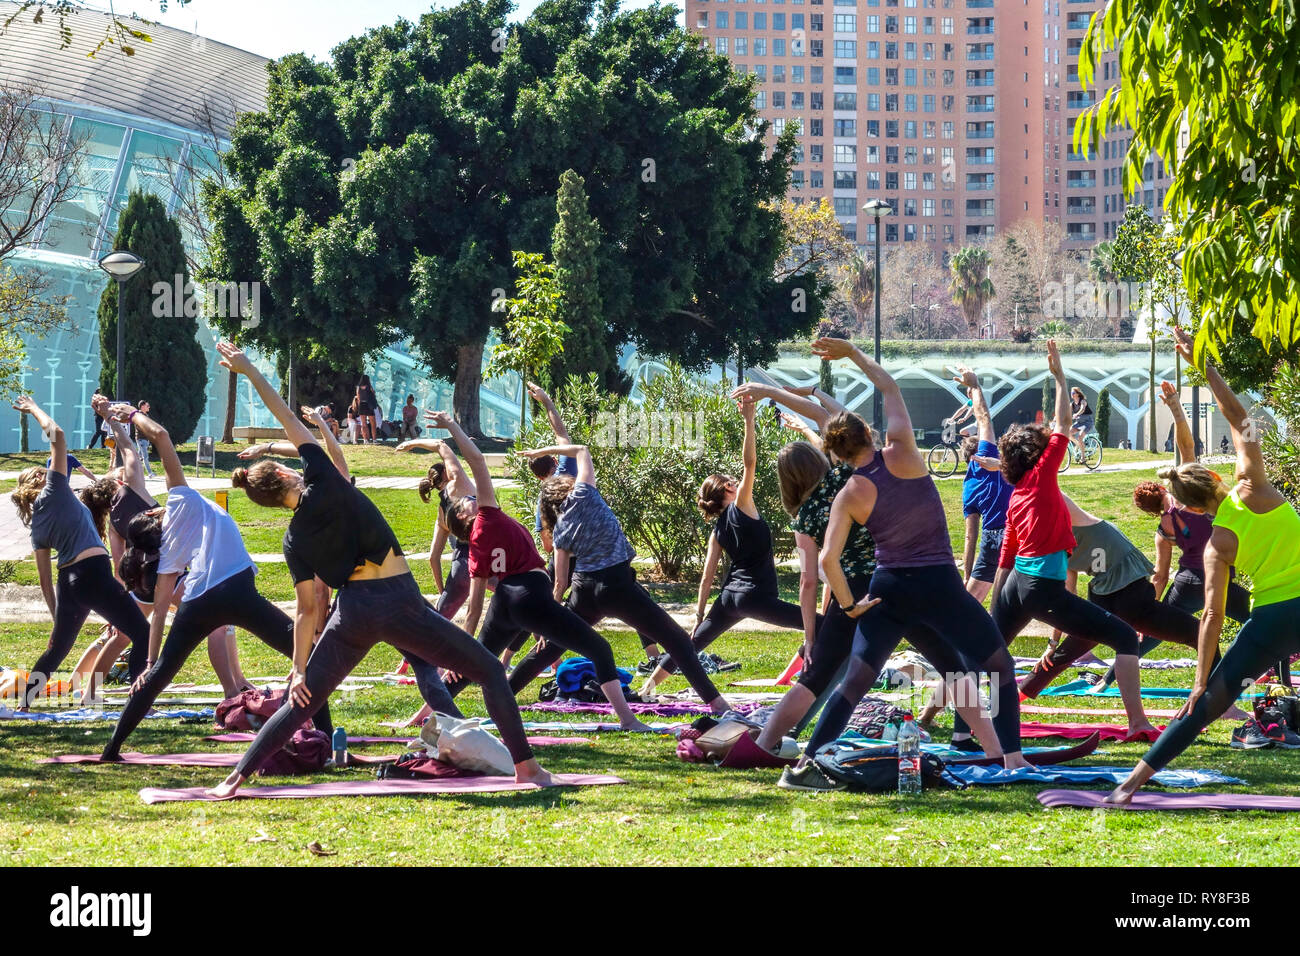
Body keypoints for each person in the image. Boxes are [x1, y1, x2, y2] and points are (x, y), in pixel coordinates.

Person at [206, 343, 554, 798]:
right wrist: (251, 370)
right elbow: (291, 424)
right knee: (488, 670)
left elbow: (308, 610)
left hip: (352, 614)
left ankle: (235, 777)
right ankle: (527, 768)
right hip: (397, 601)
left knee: (303, 700)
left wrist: (297, 669)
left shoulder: (293, 540)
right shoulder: (324, 480)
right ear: (288, 476)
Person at [780, 338, 1031, 790]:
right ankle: (1012, 759)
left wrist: (849, 604)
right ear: (867, 434)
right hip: (937, 585)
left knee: (853, 684)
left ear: (836, 454)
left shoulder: (848, 493)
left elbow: (827, 558)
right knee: (999, 667)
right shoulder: (906, 452)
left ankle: (805, 767)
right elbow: (889, 386)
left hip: (886, 590)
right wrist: (851, 354)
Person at [1107, 328, 1300, 804]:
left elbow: (1211, 617)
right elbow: (1241, 418)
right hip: (1281, 610)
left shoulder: (1216, 544)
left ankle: (1129, 786)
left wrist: (1198, 683)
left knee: (1208, 704)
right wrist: (1204, 365)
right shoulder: (1252, 482)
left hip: (1274, 617)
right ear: (1215, 476)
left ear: (1190, 509)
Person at [100, 400, 335, 759]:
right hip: (237, 591)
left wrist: (149, 665)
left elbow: (160, 612)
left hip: (201, 601)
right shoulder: (180, 499)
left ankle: (112, 749)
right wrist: (132, 415)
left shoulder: (166, 557)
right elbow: (161, 436)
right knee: (306, 659)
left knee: (160, 674)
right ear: (152, 513)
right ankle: (329, 740)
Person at [962, 341, 1156, 744]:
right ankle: (1137, 723)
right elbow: (1063, 423)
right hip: (1040, 589)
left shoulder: (1015, 494)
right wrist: (1059, 376)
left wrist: (1000, 602)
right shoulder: (1043, 476)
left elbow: (1005, 559)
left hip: (1014, 585)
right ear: (1037, 456)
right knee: (1122, 636)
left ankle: (960, 731)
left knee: (985, 651)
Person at [428, 410, 655, 732]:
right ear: (464, 519)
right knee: (599, 649)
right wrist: (452, 426)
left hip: (505, 601)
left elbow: (475, 608)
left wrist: (463, 649)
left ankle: (426, 715)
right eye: (465, 503)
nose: (470, 498)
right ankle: (628, 720)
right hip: (530, 597)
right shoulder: (488, 516)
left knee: (476, 663)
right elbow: (477, 460)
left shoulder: (476, 544)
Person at [509, 438, 734, 716]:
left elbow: (560, 583)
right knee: (677, 641)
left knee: (552, 646)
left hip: (585, 591)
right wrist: (544, 451)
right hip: (616, 586)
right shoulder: (585, 493)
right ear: (567, 486)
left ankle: (505, 693)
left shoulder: (560, 529)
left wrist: (549, 623)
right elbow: (582, 450)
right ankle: (717, 703)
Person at [1014, 491, 1250, 721]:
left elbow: (1068, 595)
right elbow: (1068, 592)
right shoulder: (1062, 530)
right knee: (1201, 634)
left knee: (1067, 651)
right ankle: (1223, 707)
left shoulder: (1057, 529)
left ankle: (1015, 698)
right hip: (1128, 597)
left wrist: (1053, 643)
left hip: (1108, 596)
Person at [642, 394, 815, 697]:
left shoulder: (717, 528)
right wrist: (749, 420)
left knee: (690, 644)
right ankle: (811, 680)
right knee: (822, 626)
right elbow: (751, 462)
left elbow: (707, 578)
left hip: (730, 598)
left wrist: (698, 616)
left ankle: (648, 687)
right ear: (728, 489)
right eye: (732, 481)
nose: (738, 481)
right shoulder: (742, 505)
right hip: (754, 596)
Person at [9, 397, 151, 708]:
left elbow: (46, 582)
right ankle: (139, 701)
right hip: (94, 575)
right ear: (39, 480)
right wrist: (33, 407)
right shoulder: (54, 490)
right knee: (142, 631)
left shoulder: (38, 527)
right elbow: (57, 436)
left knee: (55, 650)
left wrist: (57, 616)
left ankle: (24, 706)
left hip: (69, 583)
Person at [524, 382, 661, 669]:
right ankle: (653, 656)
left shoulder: (545, 499)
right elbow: (562, 434)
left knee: (549, 605)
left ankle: (541, 659)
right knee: (636, 600)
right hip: (587, 560)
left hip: (567, 559)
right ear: (554, 462)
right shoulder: (569, 471)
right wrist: (547, 401)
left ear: (538, 477)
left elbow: (548, 544)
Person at [131, 400, 156, 477]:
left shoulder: (145, 415)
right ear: (142, 407)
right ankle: (150, 473)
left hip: (145, 439)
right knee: (145, 457)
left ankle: (131, 470)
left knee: (138, 457)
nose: (149, 407)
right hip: (141, 439)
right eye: (147, 406)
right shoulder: (139, 415)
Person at [1069, 387, 1093, 460]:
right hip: (1079, 423)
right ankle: (1078, 444)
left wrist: (1077, 414)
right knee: (1068, 433)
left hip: (1087, 422)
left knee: (1080, 437)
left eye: (1073, 393)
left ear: (1078, 394)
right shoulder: (1072, 404)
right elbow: (1068, 414)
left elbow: (1082, 409)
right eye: (1071, 393)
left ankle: (1083, 457)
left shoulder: (1083, 401)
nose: (1072, 394)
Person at [355, 375, 378, 444]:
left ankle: (365, 440)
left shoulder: (358, 388)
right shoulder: (369, 387)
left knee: (364, 424)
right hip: (369, 405)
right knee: (373, 423)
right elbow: (374, 394)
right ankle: (374, 440)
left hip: (362, 405)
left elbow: (358, 398)